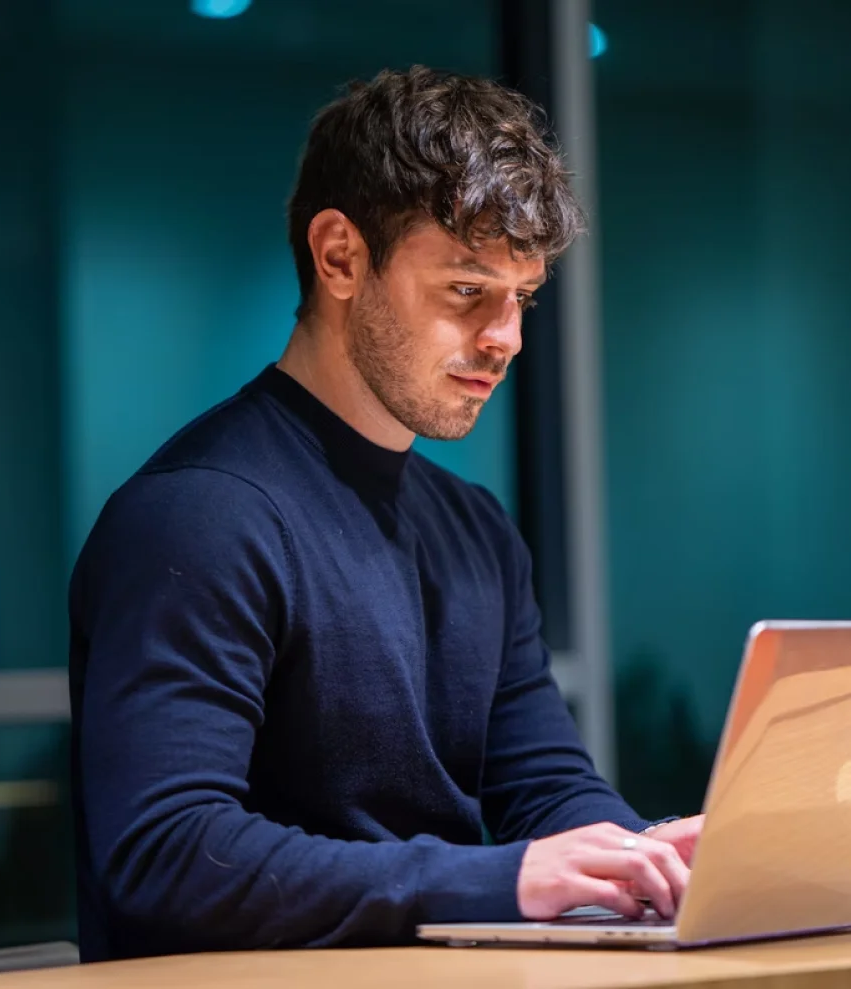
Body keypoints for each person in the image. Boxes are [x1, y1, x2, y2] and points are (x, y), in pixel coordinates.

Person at [68, 65, 703, 963]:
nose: (506, 338)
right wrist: (503, 879)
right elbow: (167, 854)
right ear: (339, 257)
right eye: (467, 290)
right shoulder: (200, 516)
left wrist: (643, 857)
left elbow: (546, 786)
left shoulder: (477, 532)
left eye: (522, 297)